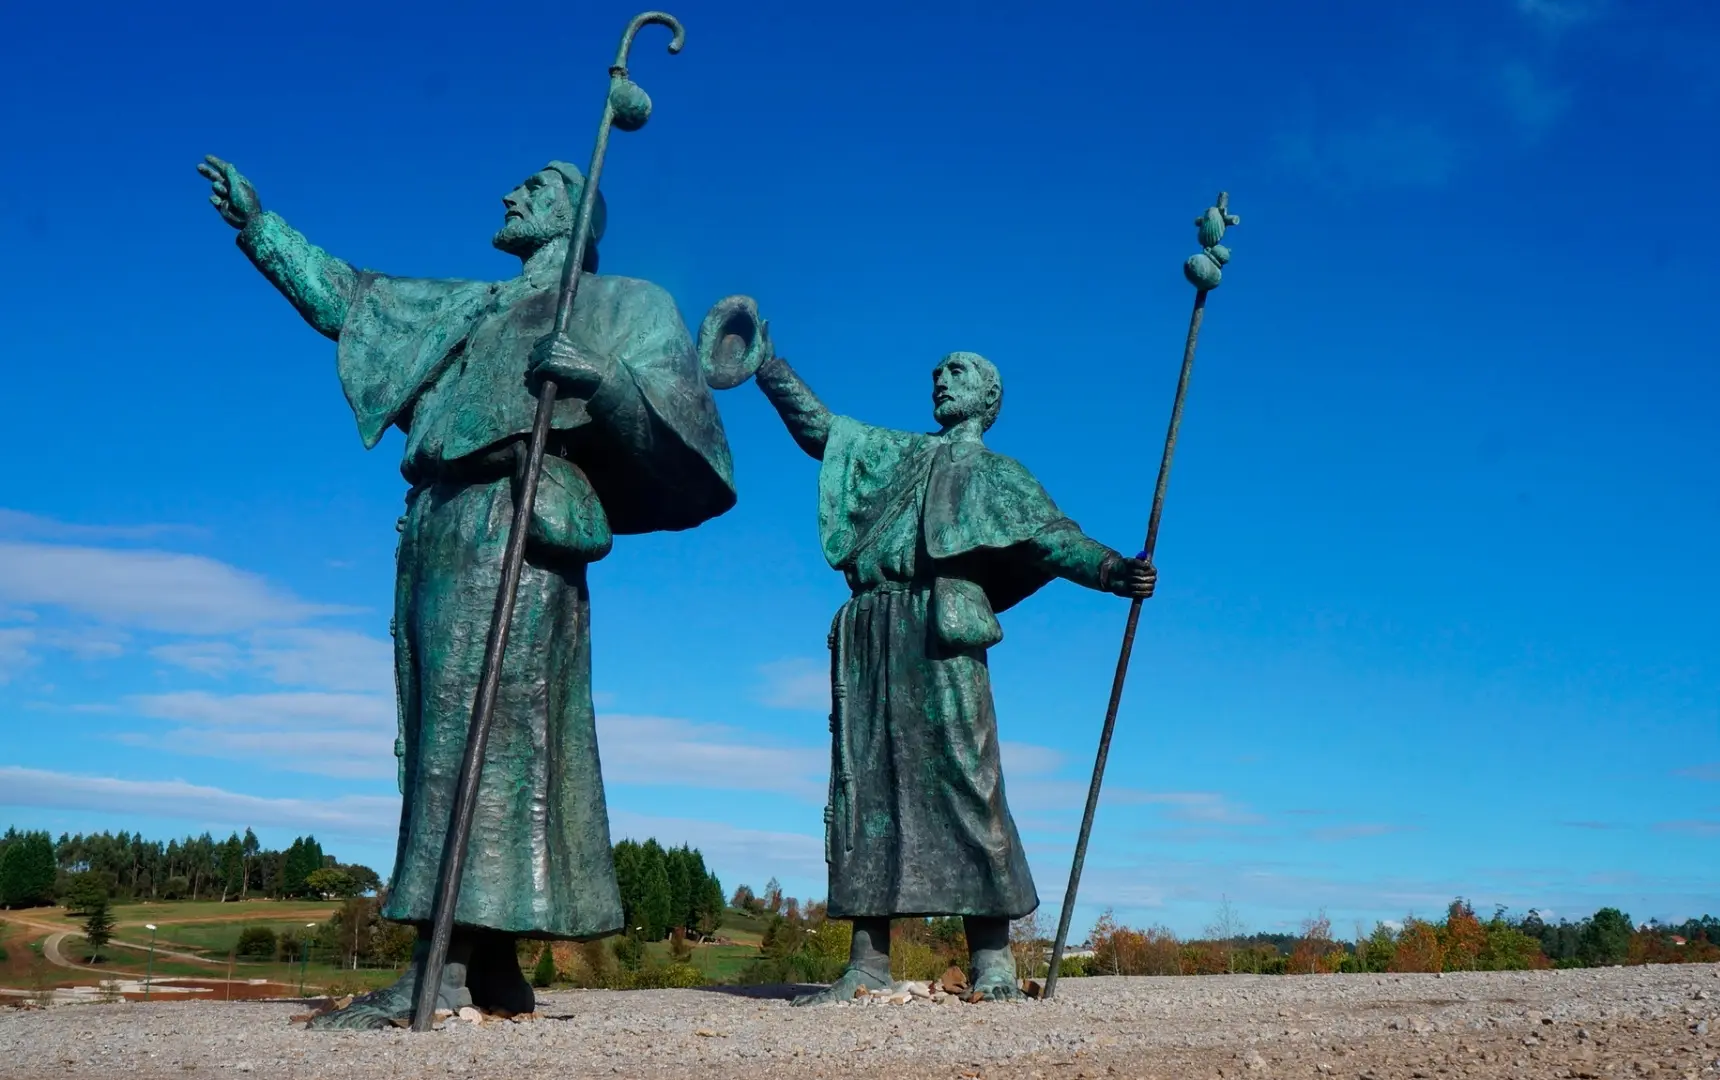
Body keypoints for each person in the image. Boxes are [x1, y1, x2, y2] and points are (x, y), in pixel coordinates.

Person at [198, 154, 735, 1027]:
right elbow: (353, 300)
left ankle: (439, 967)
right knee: (446, 732)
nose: (509, 193)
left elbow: (692, 437)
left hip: (517, 518)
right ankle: (493, 968)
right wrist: (263, 230)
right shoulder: (468, 305)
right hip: (443, 524)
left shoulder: (622, 304)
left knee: (478, 733)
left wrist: (601, 382)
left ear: (575, 216)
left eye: (537, 186)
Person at [750, 349, 1155, 1004]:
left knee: (969, 780)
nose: (941, 378)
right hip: (873, 630)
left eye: (959, 371)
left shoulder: (1000, 475)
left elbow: (1053, 540)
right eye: (937, 371)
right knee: (867, 790)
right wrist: (768, 365)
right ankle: (866, 962)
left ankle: (992, 957)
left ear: (990, 396)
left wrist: (1113, 571)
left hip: (944, 627)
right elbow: (823, 431)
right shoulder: (898, 453)